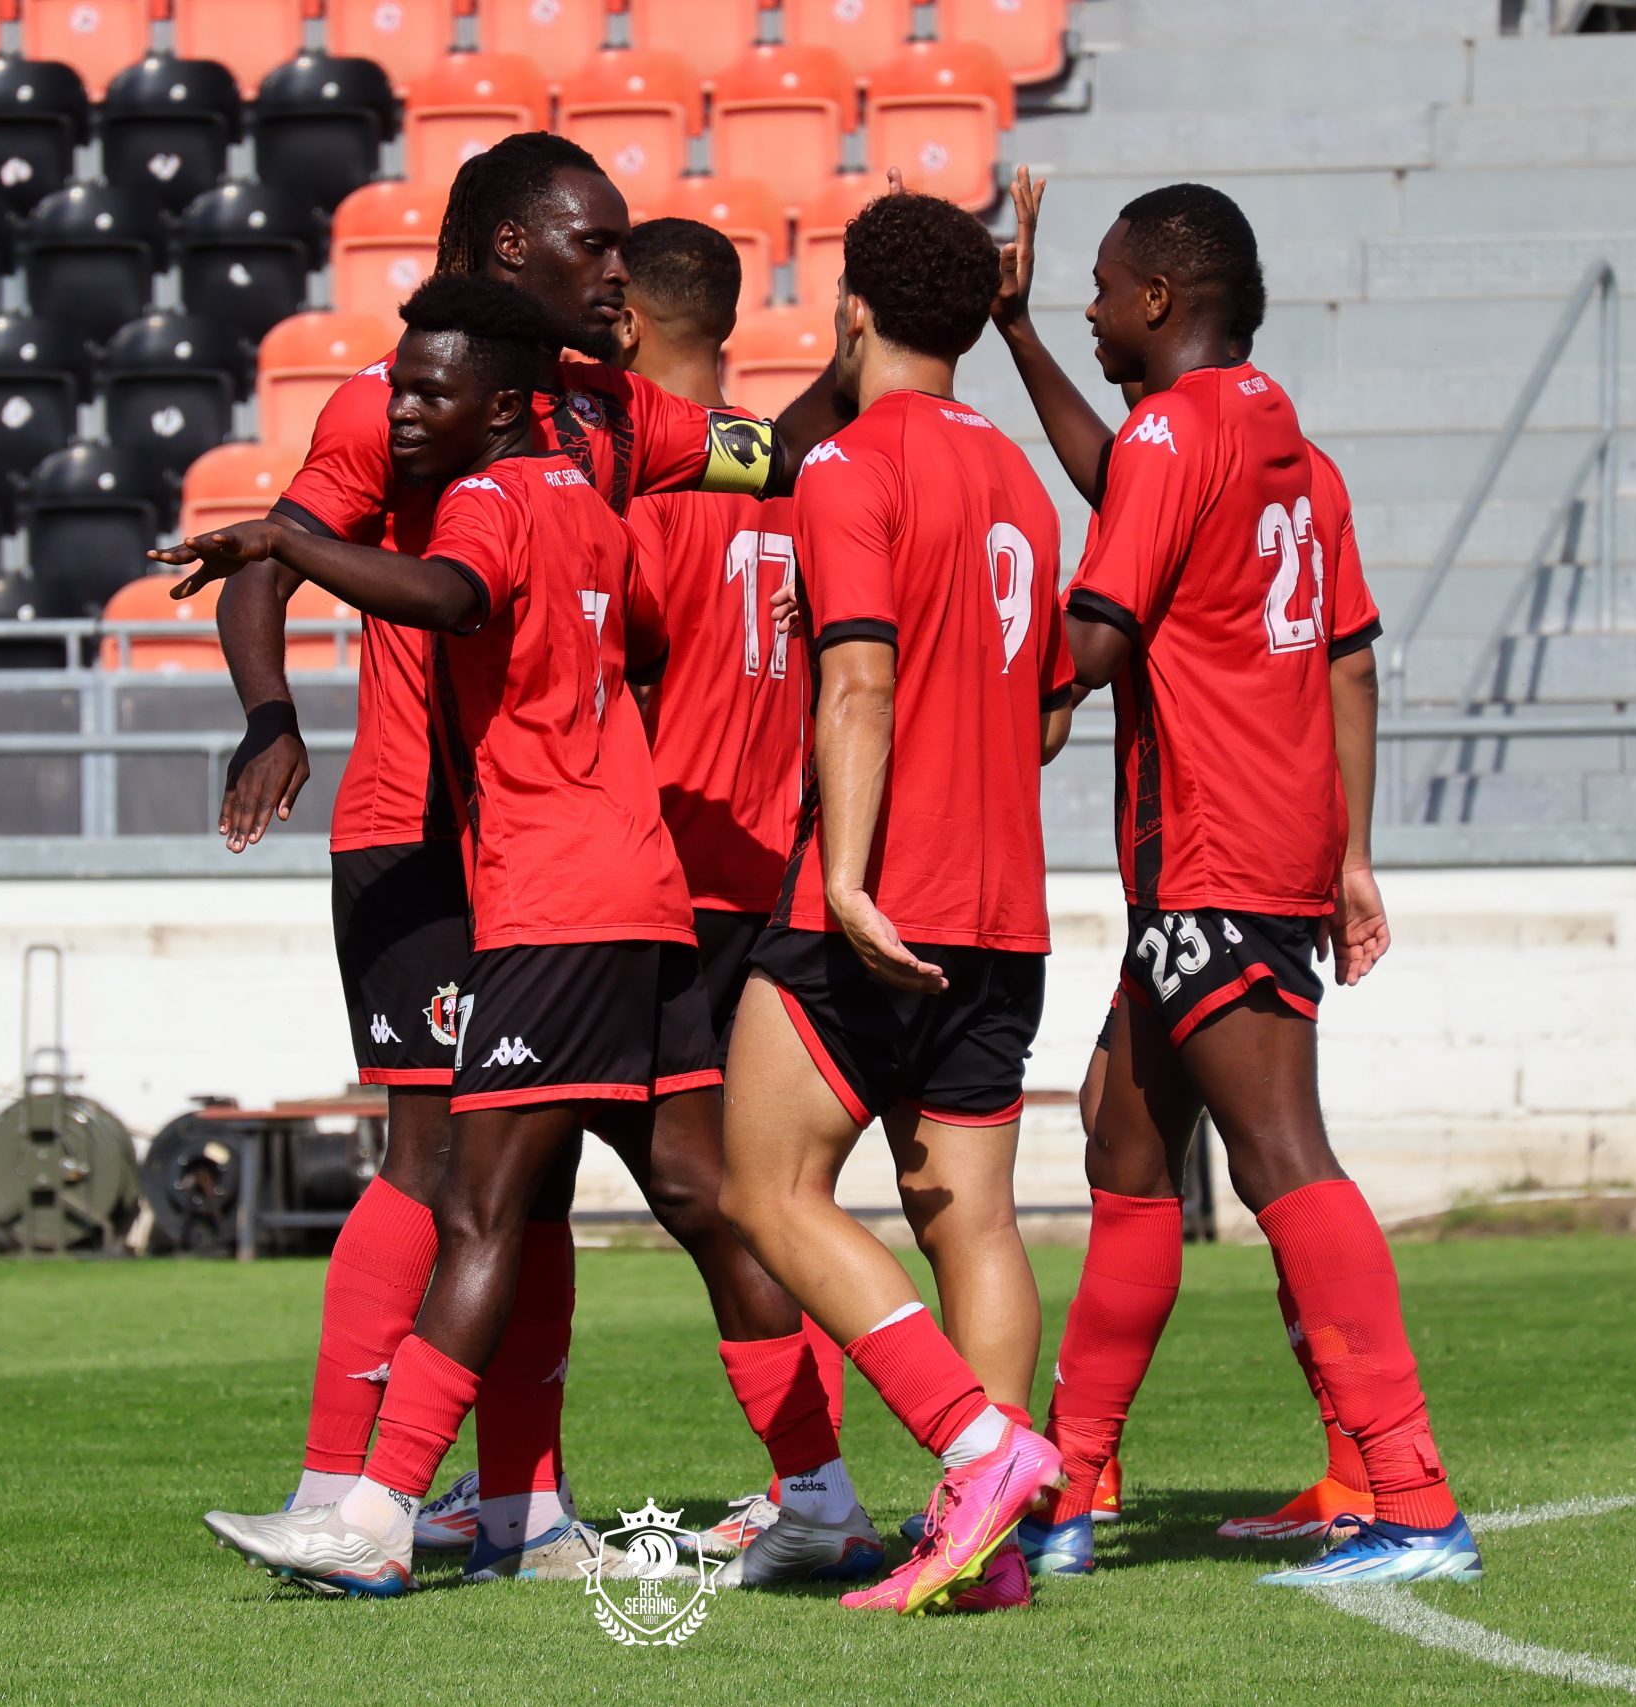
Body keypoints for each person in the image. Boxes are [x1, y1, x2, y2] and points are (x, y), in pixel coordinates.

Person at [187, 132, 833, 1573]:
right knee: (436, 1160)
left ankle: (518, 1510)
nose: (618, 267)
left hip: (550, 851)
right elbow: (269, 560)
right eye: (593, 243)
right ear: (506, 250)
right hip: (422, 828)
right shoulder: (396, 400)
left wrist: (880, 373)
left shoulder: (608, 408)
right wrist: (270, 714)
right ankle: (342, 1484)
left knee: (526, 1181)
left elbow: (769, 453)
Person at [1031, 181, 1478, 1586]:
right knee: (1124, 1144)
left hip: (1210, 852)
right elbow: (1349, 664)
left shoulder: (1175, 435)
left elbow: (1096, 639)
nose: (1092, 307)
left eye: (1103, 288)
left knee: (1283, 1153)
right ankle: (1069, 1493)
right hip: (1262, 848)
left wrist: (938, 647)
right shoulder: (1292, 451)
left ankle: (1414, 1498)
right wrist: (1351, 854)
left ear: (1160, 298)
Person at [714, 188, 1079, 1617]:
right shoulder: (1022, 483)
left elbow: (858, 683)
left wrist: (850, 877)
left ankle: (977, 1447)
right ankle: (987, 1553)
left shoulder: (847, 464)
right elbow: (1047, 717)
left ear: (851, 309)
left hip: (876, 899)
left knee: (765, 1187)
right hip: (1005, 906)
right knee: (971, 1223)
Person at [607, 216, 856, 1573]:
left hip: (662, 871)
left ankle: (811, 1476)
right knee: (757, 1189)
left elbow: (618, 656)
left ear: (627, 324)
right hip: (778, 865)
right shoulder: (791, 469)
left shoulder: (643, 483)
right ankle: (808, 1478)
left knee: (691, 1188)